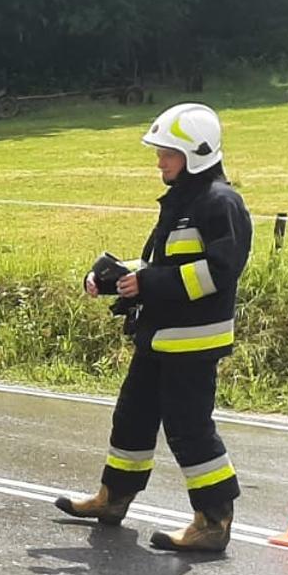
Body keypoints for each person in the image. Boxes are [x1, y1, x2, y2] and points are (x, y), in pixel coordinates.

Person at [55, 103, 249, 552]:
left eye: (168, 154)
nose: (159, 162)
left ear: (197, 153)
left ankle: (214, 521)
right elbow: (166, 266)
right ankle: (113, 498)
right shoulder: (183, 200)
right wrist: (116, 280)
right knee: (132, 419)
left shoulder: (221, 203)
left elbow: (219, 273)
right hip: (161, 337)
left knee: (189, 429)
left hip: (193, 342)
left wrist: (147, 282)